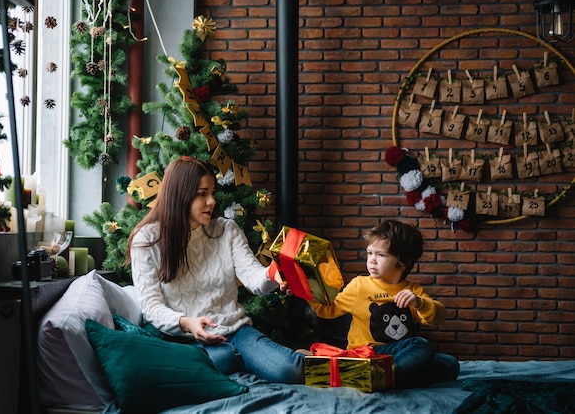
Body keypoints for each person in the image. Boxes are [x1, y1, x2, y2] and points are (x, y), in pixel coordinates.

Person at [126, 157, 304, 384]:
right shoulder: (148, 240)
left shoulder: (226, 229)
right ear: (179, 195)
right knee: (221, 361)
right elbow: (151, 306)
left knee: (290, 370)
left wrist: (272, 273)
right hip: (187, 339)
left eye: (212, 192)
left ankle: (334, 366)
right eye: (202, 194)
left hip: (237, 331)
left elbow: (253, 278)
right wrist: (186, 323)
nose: (211, 201)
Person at [309, 219, 460, 388]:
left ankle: (372, 377)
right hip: (367, 353)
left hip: (398, 355)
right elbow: (328, 310)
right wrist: (307, 291)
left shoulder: (412, 290)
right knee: (421, 344)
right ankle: (376, 377)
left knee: (450, 364)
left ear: (404, 261)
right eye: (370, 253)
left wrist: (419, 303)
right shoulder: (360, 285)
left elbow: (437, 317)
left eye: (381, 255)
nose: (372, 260)